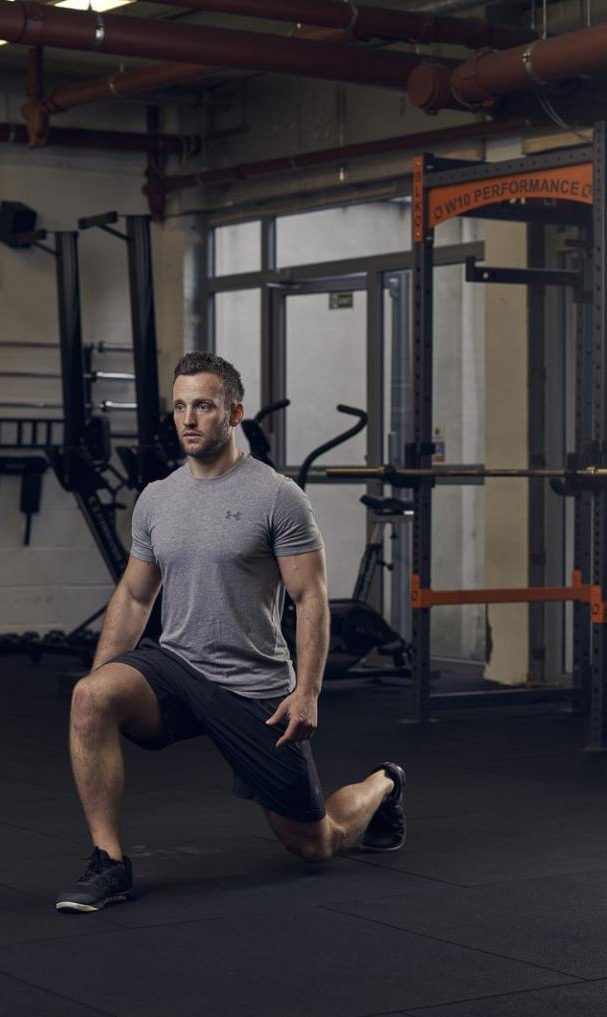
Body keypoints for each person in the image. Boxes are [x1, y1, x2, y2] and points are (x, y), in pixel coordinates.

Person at [56, 352, 405, 913]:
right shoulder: (157, 498)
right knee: (89, 697)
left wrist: (308, 690)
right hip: (175, 667)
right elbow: (136, 594)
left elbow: (309, 596)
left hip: (252, 686)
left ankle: (385, 782)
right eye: (180, 406)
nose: (189, 418)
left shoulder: (276, 496)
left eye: (204, 406)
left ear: (234, 412)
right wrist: (101, 679)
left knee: (314, 844)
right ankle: (109, 863)